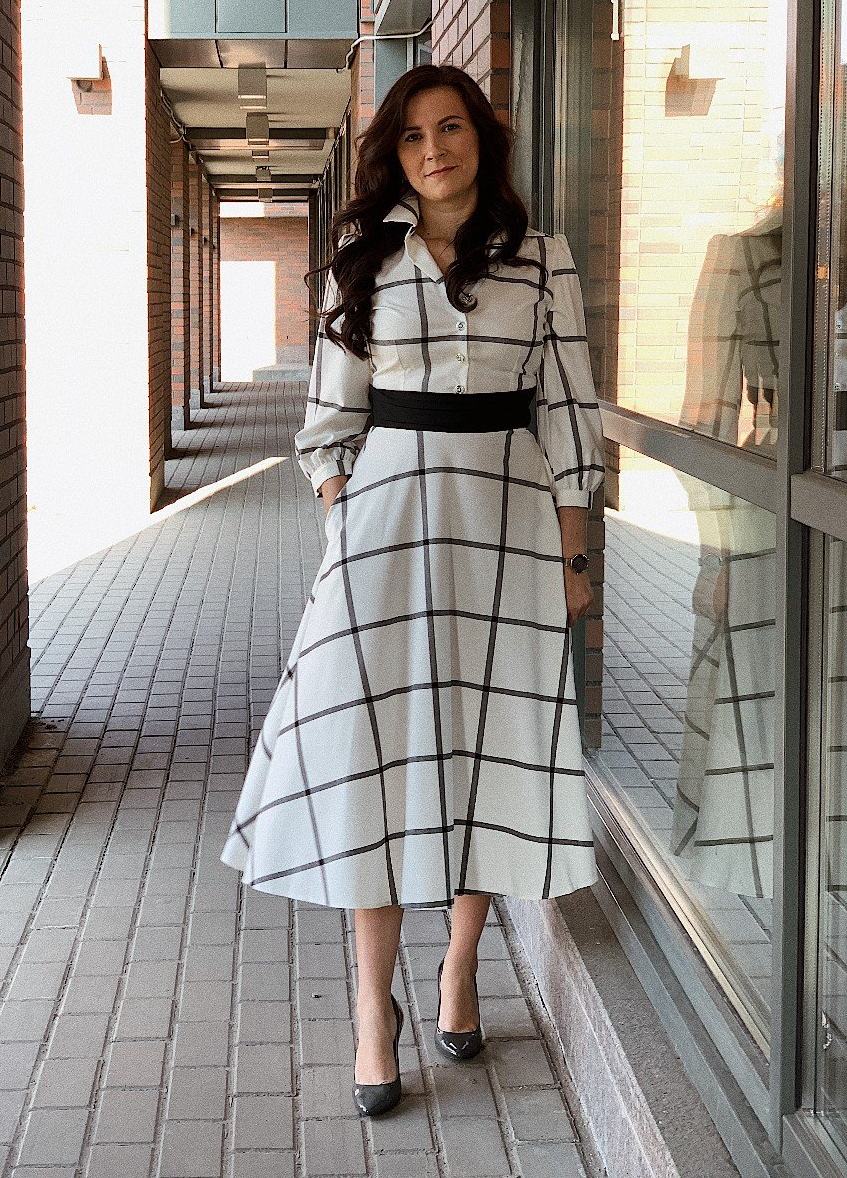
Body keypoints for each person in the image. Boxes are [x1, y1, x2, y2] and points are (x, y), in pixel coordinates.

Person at [220, 63, 606, 1118]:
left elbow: (570, 416)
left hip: (507, 533)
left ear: (483, 138)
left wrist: (574, 557)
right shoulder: (367, 260)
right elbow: (326, 425)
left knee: (487, 750)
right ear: (392, 155)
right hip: (384, 539)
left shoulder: (541, 260)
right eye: (412, 136)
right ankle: (370, 1008)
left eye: (452, 128)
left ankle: (460, 967)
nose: (434, 150)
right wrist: (348, 517)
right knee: (374, 761)